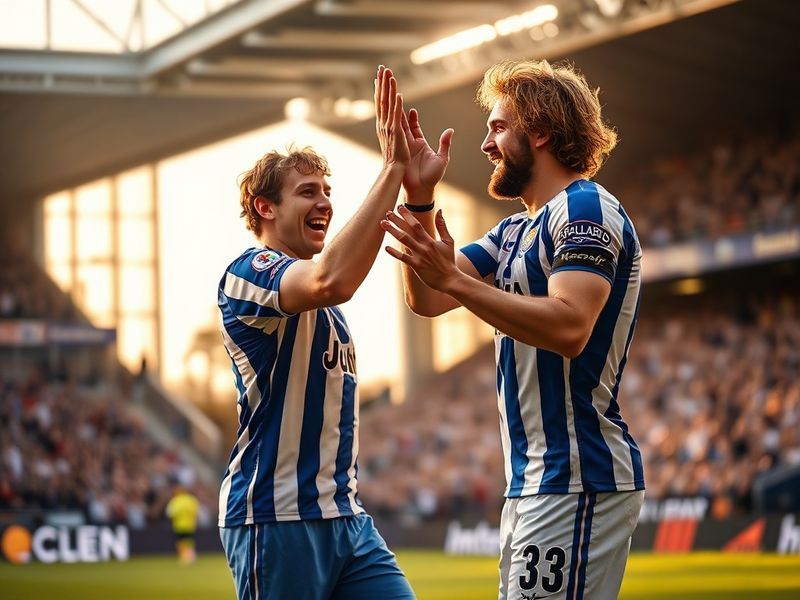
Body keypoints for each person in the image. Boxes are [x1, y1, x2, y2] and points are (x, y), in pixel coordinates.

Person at [381, 59, 645, 600]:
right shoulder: (513, 231)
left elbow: (571, 326)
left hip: (577, 477)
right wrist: (420, 199)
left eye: (498, 127)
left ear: (541, 130)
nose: (485, 145)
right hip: (533, 484)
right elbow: (427, 298)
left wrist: (455, 280)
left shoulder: (587, 205)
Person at [217, 66, 415, 599]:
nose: (325, 201)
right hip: (275, 517)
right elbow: (332, 278)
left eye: (328, 190)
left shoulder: (327, 309)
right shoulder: (246, 274)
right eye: (308, 192)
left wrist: (414, 191)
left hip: (346, 517)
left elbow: (334, 281)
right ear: (265, 207)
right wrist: (393, 169)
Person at [165, 482, 200, 565]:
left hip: (179, 525)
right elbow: (196, 512)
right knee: (190, 541)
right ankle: (191, 556)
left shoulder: (175, 501)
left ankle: (184, 557)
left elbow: (169, 514)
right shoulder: (191, 500)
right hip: (190, 525)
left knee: (181, 542)